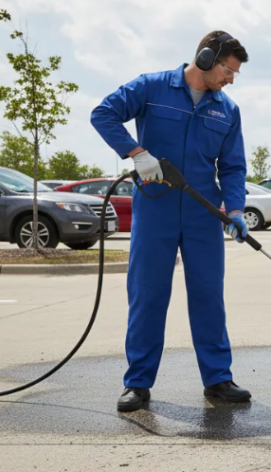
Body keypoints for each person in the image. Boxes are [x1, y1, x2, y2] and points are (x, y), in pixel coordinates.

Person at [91, 31, 251, 412]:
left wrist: (234, 210)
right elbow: (103, 114)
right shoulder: (151, 88)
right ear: (207, 58)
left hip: (202, 213)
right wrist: (136, 152)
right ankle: (137, 383)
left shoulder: (227, 111)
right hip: (155, 210)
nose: (231, 80)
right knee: (147, 295)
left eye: (235, 74)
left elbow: (232, 166)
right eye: (228, 71)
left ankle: (218, 379)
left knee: (209, 295)